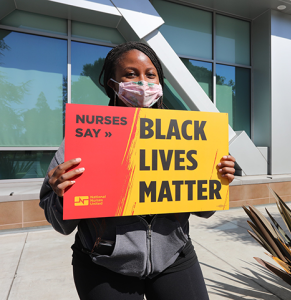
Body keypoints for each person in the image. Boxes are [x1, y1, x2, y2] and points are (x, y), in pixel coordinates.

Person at [40, 41, 236, 300]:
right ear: (114, 84)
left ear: (160, 82)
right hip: (104, 267)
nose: (143, 83)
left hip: (175, 258)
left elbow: (205, 210)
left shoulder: (187, 137)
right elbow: (61, 225)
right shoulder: (84, 140)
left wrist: (216, 179)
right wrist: (61, 196)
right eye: (131, 74)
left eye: (150, 74)